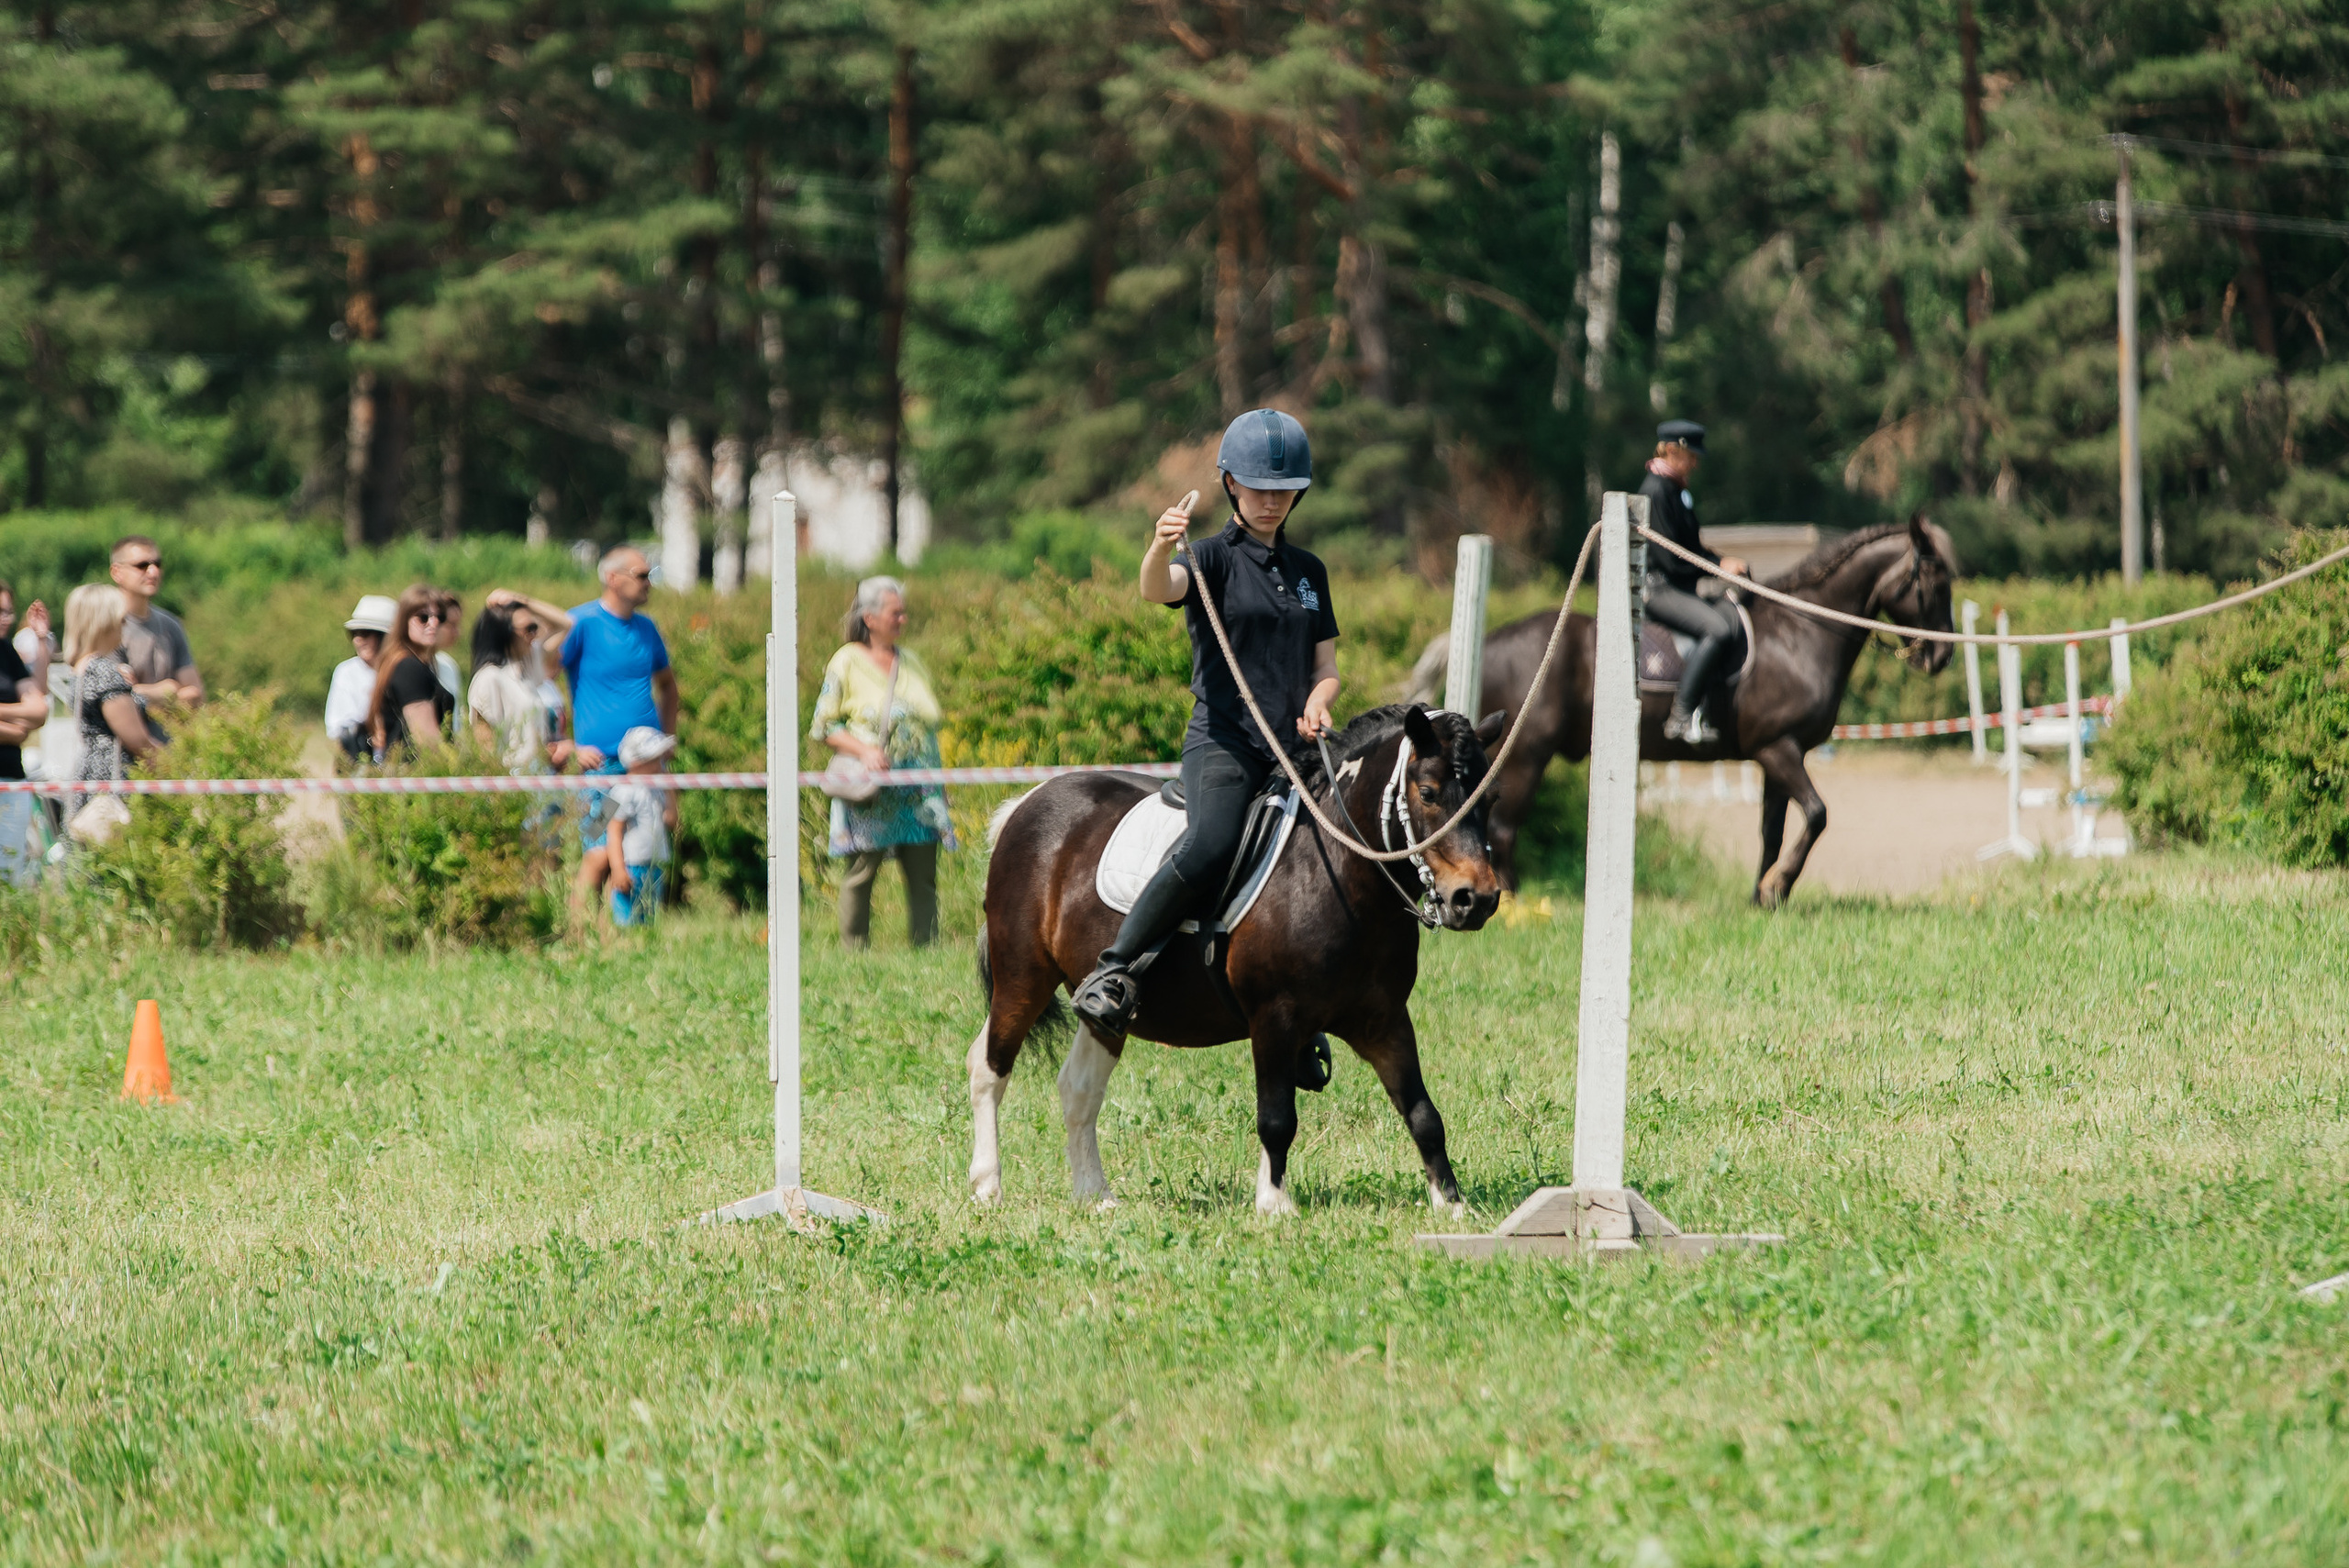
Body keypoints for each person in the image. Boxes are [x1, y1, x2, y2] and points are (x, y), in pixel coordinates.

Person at [1071, 407, 1339, 1030]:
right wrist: (1160, 544)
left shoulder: (1310, 572)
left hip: (1295, 751)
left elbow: (1325, 666)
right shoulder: (1212, 558)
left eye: (1284, 490)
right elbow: (1156, 588)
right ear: (1231, 484)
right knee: (1214, 841)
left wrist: (1319, 700)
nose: (1271, 501)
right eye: (1259, 488)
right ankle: (1114, 967)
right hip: (1225, 744)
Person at [809, 576, 955, 949]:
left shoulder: (913, 662)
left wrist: (940, 783)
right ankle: (853, 951)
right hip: (872, 789)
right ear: (870, 618)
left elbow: (928, 725)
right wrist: (864, 751)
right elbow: (823, 726)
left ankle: (927, 950)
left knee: (924, 877)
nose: (903, 620)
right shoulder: (846, 661)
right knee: (860, 874)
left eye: (904, 613)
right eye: (896, 613)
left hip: (918, 792)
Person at [562, 547, 678, 915]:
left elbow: (668, 687)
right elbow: (542, 680)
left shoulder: (646, 629)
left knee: (636, 852)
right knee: (599, 849)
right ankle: (577, 929)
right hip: (603, 765)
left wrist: (667, 743)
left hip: (645, 767)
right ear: (613, 578)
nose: (648, 583)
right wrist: (567, 745)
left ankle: (617, 932)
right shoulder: (581, 623)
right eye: (641, 575)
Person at [1637, 419, 1749, 744]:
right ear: (1672, 450)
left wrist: (1723, 562)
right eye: (1691, 456)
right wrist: (1717, 567)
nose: (1696, 463)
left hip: (1678, 586)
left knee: (1731, 617)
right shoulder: (1656, 491)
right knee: (1718, 629)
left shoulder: (1677, 490)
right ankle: (1681, 715)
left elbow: (1692, 548)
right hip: (1659, 589)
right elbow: (1671, 559)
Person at [64, 584, 159, 834]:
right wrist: (177, 764)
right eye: (121, 619)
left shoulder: (80, 668)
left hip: (90, 777)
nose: (124, 626)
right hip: (113, 783)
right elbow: (138, 742)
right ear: (105, 622)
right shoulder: (103, 672)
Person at [469, 590, 576, 773]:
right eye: (528, 629)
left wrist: (522, 601)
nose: (534, 635)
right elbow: (485, 742)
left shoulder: (524, 668)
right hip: (512, 775)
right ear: (504, 632)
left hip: (537, 772)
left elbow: (565, 624)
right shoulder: (489, 677)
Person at [109, 536, 203, 740]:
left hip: (169, 748)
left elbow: (196, 695)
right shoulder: (107, 626)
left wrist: (141, 693)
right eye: (142, 565)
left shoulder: (170, 625)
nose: (153, 572)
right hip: (123, 751)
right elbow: (113, 699)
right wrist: (168, 689)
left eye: (157, 564)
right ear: (117, 572)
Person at [604, 726, 678, 929]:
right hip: (631, 867)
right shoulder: (623, 790)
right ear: (637, 762)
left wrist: (669, 787)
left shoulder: (656, 788)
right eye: (655, 759)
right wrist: (618, 869)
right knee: (626, 921)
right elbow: (613, 830)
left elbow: (671, 820)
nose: (660, 764)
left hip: (654, 865)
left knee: (649, 922)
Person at [367, 585, 455, 756]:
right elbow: (427, 741)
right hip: (417, 768)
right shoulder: (409, 668)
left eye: (440, 617)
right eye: (423, 617)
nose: (433, 623)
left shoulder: (408, 663)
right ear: (404, 621)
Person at [0, 582, 47, 884]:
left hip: (12, 779)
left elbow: (38, 711)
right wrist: (15, 728)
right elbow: (23, 722)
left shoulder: (7, 652)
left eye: (8, 611)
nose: (5, 618)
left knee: (9, 879)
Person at [325, 595, 395, 761]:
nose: (358, 640)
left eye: (365, 633)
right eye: (354, 634)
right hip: (361, 760)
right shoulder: (346, 672)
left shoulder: (403, 671)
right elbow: (339, 728)